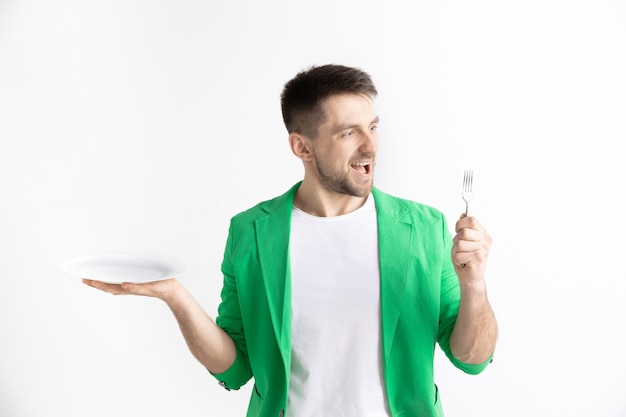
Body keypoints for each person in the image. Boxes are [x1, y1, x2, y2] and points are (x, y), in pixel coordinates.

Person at [83, 64, 498, 417]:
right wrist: (175, 296)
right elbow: (235, 367)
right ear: (302, 146)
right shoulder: (252, 231)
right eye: (347, 133)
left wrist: (474, 284)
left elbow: (472, 358)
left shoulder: (424, 227)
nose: (371, 145)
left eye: (372, 127)